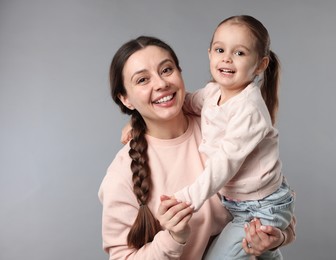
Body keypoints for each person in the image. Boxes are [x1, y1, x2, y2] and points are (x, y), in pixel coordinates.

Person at [99, 35, 296, 260]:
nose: (161, 83)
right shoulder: (122, 174)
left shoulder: (223, 124)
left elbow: (276, 205)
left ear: (180, 73)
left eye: (166, 70)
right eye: (142, 80)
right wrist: (173, 238)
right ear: (126, 99)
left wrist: (276, 239)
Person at [155, 15, 294, 260]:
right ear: (210, 54)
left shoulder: (249, 109)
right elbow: (184, 102)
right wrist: (139, 124)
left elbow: (225, 163)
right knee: (258, 254)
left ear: (261, 65)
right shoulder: (212, 93)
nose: (227, 58)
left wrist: (187, 198)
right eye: (220, 50)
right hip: (238, 202)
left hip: (261, 207)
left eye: (240, 53)